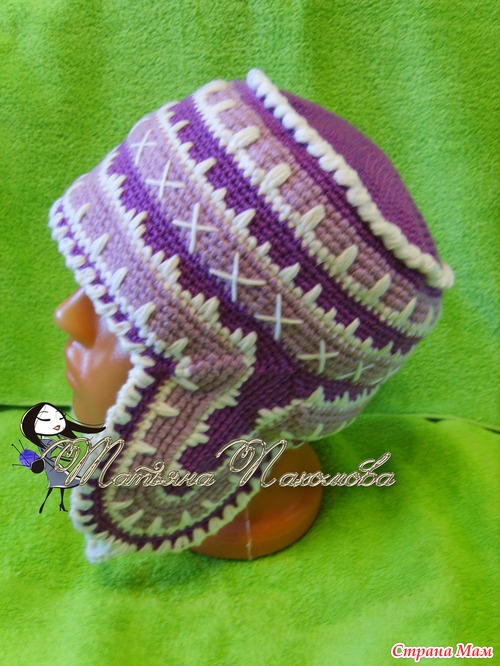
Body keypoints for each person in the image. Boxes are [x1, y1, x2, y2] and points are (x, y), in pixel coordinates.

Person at [20, 402, 105, 513]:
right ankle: (53, 503)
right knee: (61, 483)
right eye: (46, 420)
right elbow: (53, 451)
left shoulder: (53, 439)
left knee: (60, 484)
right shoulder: (45, 442)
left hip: (54, 465)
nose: (57, 422)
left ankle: (57, 503)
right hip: (52, 466)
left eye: (60, 418)